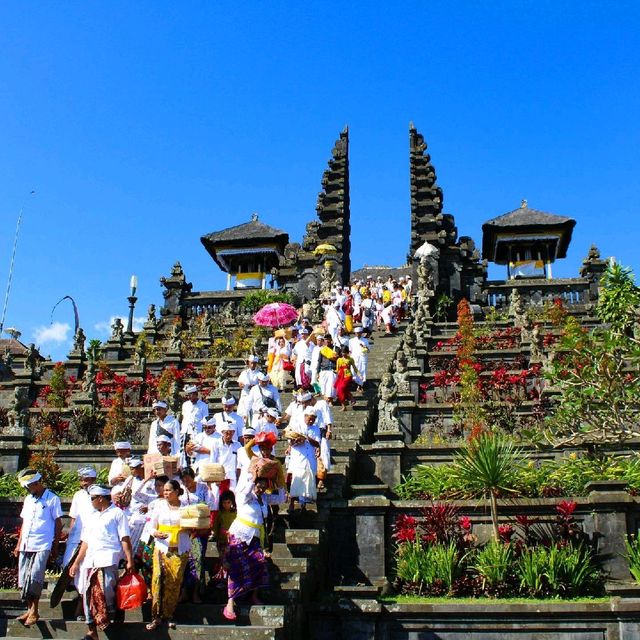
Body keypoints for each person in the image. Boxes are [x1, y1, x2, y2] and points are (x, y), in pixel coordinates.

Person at [69, 484, 134, 640]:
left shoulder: (117, 514)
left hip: (108, 557)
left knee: (107, 589)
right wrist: (76, 562)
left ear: (100, 498)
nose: (91, 501)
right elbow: (85, 541)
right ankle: (91, 630)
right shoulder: (91, 516)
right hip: (90, 560)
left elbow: (125, 538)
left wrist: (129, 559)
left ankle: (111, 616)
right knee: (88, 593)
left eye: (93, 498)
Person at [13, 469, 63, 627]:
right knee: (24, 577)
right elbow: (25, 523)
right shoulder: (29, 499)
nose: (27, 489)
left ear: (36, 483)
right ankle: (30, 609)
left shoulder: (52, 498)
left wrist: (55, 546)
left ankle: (34, 610)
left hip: (42, 544)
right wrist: (18, 544)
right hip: (26, 544)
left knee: (35, 577)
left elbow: (58, 524)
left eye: (29, 485)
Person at [222, 477, 270, 621]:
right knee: (235, 568)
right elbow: (247, 490)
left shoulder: (264, 500)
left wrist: (278, 480)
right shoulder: (244, 496)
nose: (260, 489)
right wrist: (253, 477)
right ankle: (230, 602)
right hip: (239, 534)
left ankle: (253, 595)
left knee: (260, 563)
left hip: (255, 536)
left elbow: (280, 497)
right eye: (258, 486)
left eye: (263, 487)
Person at [146, 480, 191, 630]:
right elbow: (150, 526)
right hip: (162, 547)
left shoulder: (186, 507)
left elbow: (194, 525)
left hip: (180, 548)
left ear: (177, 491)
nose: (165, 493)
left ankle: (169, 614)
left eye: (168, 490)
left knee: (174, 582)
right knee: (158, 580)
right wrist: (155, 533)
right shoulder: (159, 505)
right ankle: (155, 616)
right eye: (164, 490)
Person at [63, 466, 98, 620]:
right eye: (82, 480)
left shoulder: (98, 494)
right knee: (69, 567)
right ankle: (80, 598)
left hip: (91, 537)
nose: (84, 483)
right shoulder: (78, 495)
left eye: (86, 480)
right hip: (76, 537)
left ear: (93, 480)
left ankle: (82, 607)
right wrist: (71, 535)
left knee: (84, 570)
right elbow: (74, 517)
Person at [285, 407, 320, 513]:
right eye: (310, 418)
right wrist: (298, 440)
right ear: (305, 416)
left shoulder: (316, 429)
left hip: (309, 458)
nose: (311, 421)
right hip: (298, 458)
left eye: (313, 419)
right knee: (295, 480)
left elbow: (317, 443)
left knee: (307, 481)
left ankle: (303, 505)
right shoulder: (296, 425)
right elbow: (290, 441)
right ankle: (291, 503)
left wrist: (307, 438)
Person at [210, 422, 241, 492]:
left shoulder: (237, 445)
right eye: (227, 433)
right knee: (217, 497)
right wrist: (215, 478)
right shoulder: (216, 444)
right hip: (219, 475)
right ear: (222, 432)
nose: (229, 436)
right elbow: (212, 461)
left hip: (232, 476)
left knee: (232, 496)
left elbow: (239, 463)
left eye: (231, 433)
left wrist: (238, 476)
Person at [334, 345, 360, 410]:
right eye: (342, 352)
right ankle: (345, 405)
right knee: (340, 390)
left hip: (348, 376)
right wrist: (334, 371)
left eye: (345, 352)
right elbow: (337, 369)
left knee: (341, 388)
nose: (344, 354)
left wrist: (359, 375)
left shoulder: (350, 359)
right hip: (341, 376)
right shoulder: (339, 360)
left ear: (347, 352)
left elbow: (355, 368)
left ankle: (351, 399)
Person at [237, 355, 260, 422]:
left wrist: (254, 386)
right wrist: (244, 385)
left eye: (254, 363)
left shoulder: (259, 374)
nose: (253, 365)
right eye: (251, 363)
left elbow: (261, 385)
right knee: (242, 413)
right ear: (249, 363)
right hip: (245, 395)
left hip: (254, 396)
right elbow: (240, 384)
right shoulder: (244, 373)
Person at [316, 335, 338, 404]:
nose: (327, 341)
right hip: (324, 370)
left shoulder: (336, 349)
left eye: (328, 339)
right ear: (324, 341)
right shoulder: (322, 350)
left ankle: (330, 401)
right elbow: (319, 361)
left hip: (332, 370)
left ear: (331, 339)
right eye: (325, 339)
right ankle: (326, 401)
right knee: (323, 387)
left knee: (331, 387)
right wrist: (317, 372)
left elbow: (339, 359)